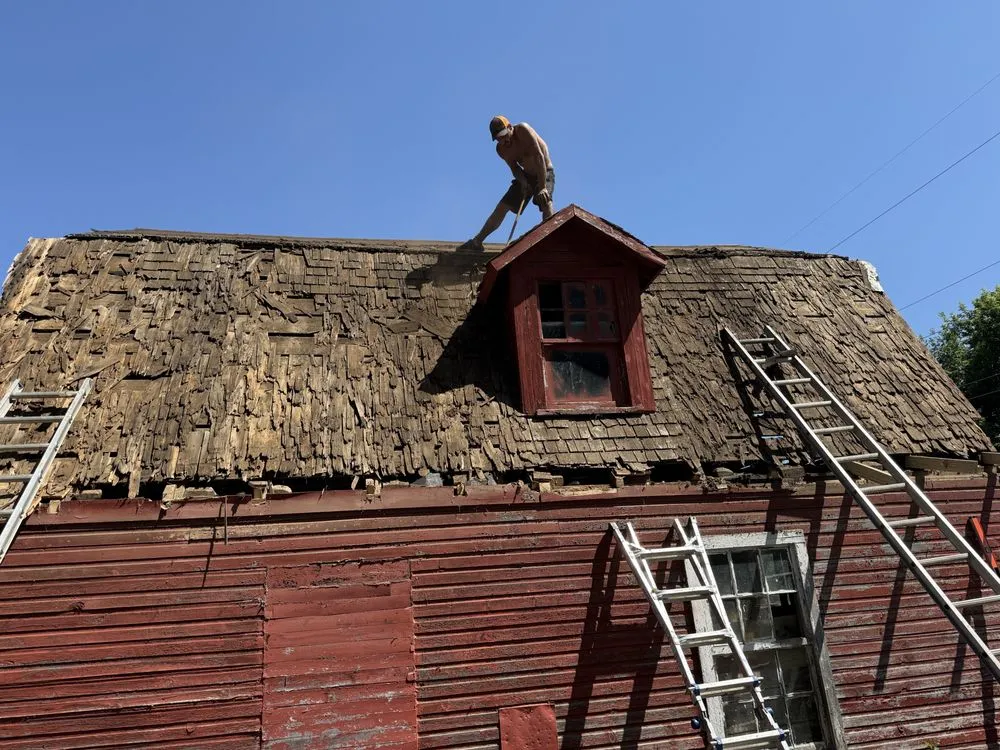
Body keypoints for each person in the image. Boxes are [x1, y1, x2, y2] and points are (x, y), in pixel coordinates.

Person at [459, 115, 555, 251]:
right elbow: (515, 169)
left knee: (545, 201)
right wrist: (522, 182)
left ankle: (552, 238)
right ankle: (477, 242)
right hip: (526, 176)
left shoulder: (523, 130)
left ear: (510, 127)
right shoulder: (501, 150)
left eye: (504, 135)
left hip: (543, 170)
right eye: (499, 138)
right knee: (502, 206)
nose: (503, 141)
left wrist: (543, 187)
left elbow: (539, 156)